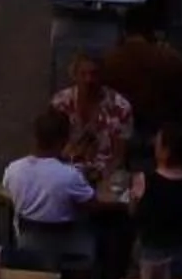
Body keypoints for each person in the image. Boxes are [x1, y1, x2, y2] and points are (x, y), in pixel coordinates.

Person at [96, 3, 182, 135]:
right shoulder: (169, 58)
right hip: (160, 128)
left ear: (124, 31)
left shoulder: (109, 60)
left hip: (119, 131)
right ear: (152, 32)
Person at [0, 109, 101, 229]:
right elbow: (94, 206)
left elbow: (7, 192)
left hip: (26, 244)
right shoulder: (70, 176)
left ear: (35, 137)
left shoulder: (13, 170)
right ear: (64, 141)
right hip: (68, 244)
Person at [51, 50, 136, 187]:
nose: (89, 80)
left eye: (94, 74)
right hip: (65, 173)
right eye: (83, 74)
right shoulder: (60, 103)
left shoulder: (120, 107)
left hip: (104, 175)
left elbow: (119, 156)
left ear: (102, 76)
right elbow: (51, 148)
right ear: (74, 76)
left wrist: (100, 180)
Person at [131, 125, 182, 255]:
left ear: (166, 151)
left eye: (158, 143)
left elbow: (133, 212)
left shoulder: (142, 180)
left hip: (154, 255)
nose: (154, 145)